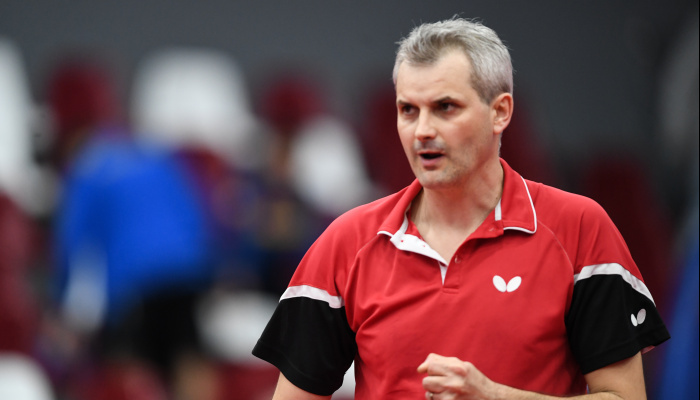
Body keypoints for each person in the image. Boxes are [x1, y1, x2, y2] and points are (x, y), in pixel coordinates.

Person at [252, 17, 670, 399]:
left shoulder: (579, 227)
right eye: (408, 110)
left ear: (500, 112)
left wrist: (494, 396)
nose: (422, 130)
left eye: (445, 107)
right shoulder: (347, 242)